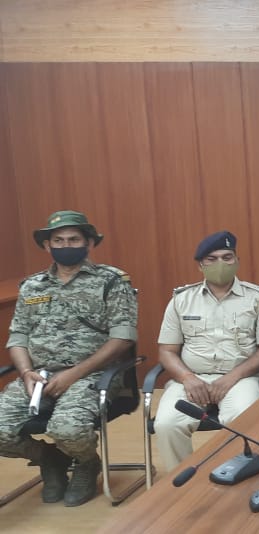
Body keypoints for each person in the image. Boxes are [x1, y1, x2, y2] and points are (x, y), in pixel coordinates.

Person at [0, 210, 137, 506]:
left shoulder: (111, 281)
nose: (66, 245)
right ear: (47, 245)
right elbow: (18, 337)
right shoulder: (32, 286)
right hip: (38, 376)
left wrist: (73, 374)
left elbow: (122, 338)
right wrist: (25, 373)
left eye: (74, 239)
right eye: (58, 240)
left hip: (92, 375)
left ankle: (87, 463)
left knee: (67, 429)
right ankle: (49, 458)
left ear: (89, 243)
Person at [153, 231, 259, 471]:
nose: (220, 264)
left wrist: (231, 378)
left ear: (237, 261)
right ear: (200, 265)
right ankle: (181, 484)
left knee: (242, 420)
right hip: (191, 379)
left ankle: (234, 476)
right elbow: (167, 351)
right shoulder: (182, 299)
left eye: (227, 257)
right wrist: (187, 378)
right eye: (211, 259)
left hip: (240, 378)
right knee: (167, 424)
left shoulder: (258, 298)